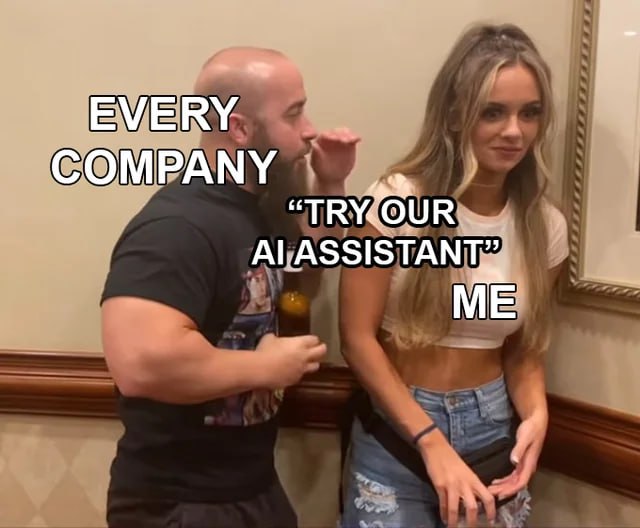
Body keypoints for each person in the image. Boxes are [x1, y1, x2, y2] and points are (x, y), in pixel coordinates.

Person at [100, 46, 360, 528]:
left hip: (248, 485)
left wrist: (330, 184)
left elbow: (309, 262)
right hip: (179, 503)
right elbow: (140, 364)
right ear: (239, 128)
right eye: (294, 114)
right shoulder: (178, 225)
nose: (309, 130)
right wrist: (263, 367)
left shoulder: (256, 206)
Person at [338, 23, 568, 528]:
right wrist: (430, 441)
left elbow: (523, 350)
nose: (515, 131)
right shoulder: (396, 199)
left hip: (492, 430)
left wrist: (537, 415)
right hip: (399, 428)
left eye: (530, 113)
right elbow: (356, 338)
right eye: (493, 112)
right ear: (455, 113)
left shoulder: (544, 226)